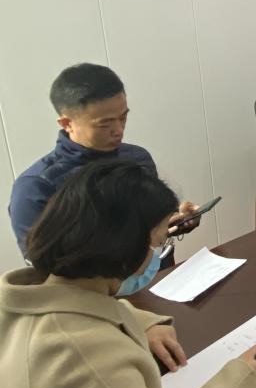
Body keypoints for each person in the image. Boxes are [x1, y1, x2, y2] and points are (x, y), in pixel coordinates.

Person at [0, 160, 256, 388]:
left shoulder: (20, 302)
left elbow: (78, 305)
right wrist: (242, 379)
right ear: (123, 249)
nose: (157, 254)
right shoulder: (90, 356)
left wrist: (139, 322)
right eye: (157, 244)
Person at [8, 63, 201, 260]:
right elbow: (46, 264)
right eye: (105, 124)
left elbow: (153, 224)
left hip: (163, 274)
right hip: (101, 282)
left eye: (123, 118)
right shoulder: (36, 187)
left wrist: (175, 220)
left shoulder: (137, 157)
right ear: (67, 123)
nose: (119, 130)